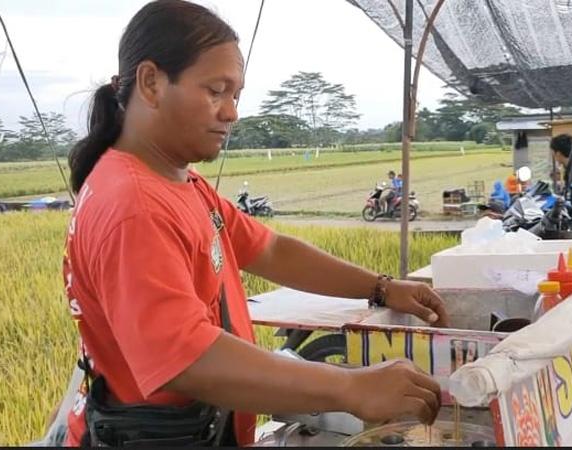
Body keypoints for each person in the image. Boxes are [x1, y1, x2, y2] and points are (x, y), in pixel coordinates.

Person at [61, 1, 449, 447]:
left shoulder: (180, 182)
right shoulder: (134, 206)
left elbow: (269, 249)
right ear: (151, 83)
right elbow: (186, 360)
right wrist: (350, 387)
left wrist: (381, 288)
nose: (231, 112)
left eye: (236, 95)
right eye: (216, 91)